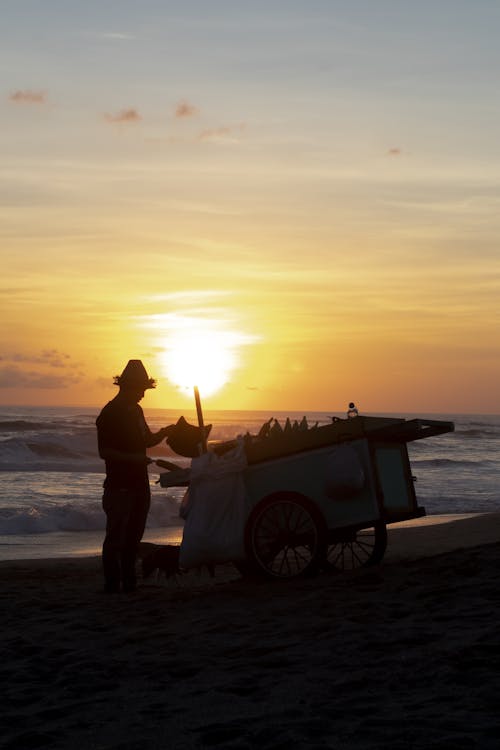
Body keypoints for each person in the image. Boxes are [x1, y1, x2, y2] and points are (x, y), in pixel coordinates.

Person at [96, 360, 174, 593]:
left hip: (139, 483)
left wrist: (165, 432)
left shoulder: (137, 411)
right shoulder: (109, 414)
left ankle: (129, 583)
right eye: (141, 389)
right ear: (127, 386)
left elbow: (146, 440)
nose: (143, 394)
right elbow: (105, 452)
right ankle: (112, 584)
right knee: (115, 538)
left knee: (133, 536)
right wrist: (134, 459)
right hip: (119, 486)